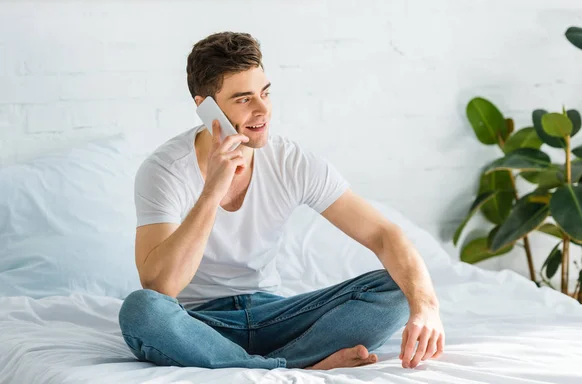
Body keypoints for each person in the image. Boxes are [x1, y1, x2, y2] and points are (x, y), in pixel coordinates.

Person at [118, 31, 445, 370]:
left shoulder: (292, 161)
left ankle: (262, 363)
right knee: (142, 310)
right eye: (244, 99)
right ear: (205, 108)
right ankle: (293, 365)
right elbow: (160, 285)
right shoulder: (164, 170)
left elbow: (383, 235)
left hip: (278, 317)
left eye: (265, 93)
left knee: (398, 288)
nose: (263, 110)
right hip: (199, 325)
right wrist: (213, 190)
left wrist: (427, 308)